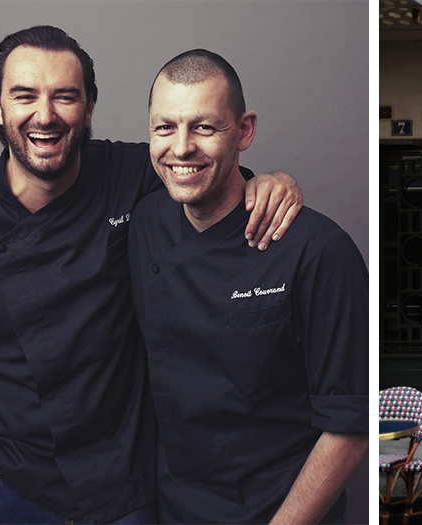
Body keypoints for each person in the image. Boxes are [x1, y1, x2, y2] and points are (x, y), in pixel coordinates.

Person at [0, 26, 302, 523]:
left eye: (65, 96)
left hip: (124, 478)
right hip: (8, 480)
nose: (45, 114)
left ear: (89, 107)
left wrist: (270, 179)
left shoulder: (134, 173)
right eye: (24, 96)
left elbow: (205, 175)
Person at [128, 49, 366, 523]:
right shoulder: (143, 220)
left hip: (276, 511)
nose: (180, 148)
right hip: (174, 509)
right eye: (164, 127)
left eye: (204, 127)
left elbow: (350, 424)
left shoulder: (319, 250)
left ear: (244, 130)